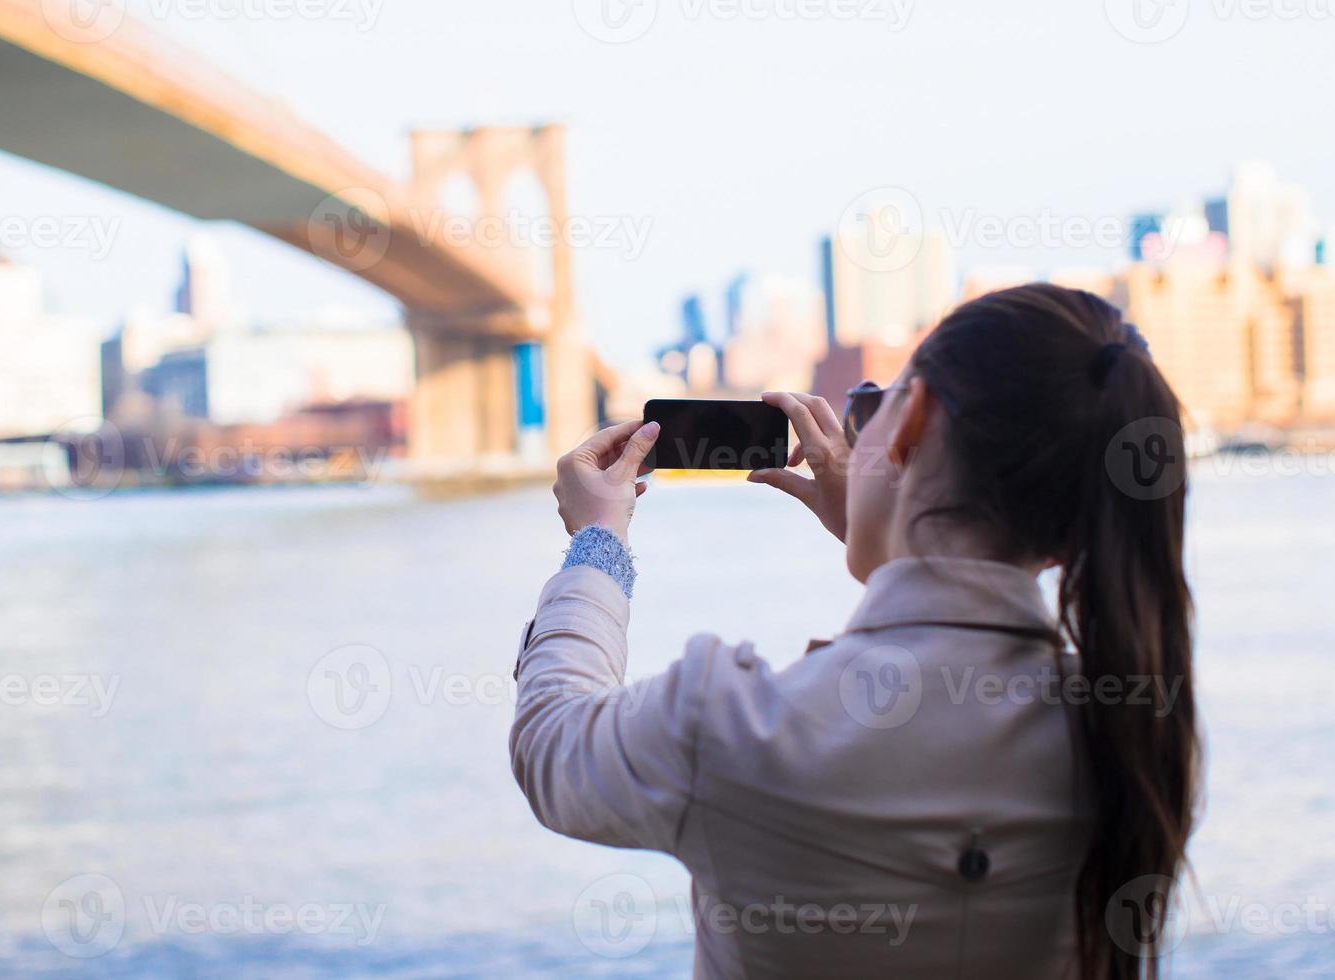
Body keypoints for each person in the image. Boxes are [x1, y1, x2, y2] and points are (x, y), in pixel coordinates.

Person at [510, 283, 1199, 979]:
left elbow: (550, 741)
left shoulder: (726, 725)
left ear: (913, 420)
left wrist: (599, 541)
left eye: (869, 407)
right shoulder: (1133, 729)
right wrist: (889, 533)